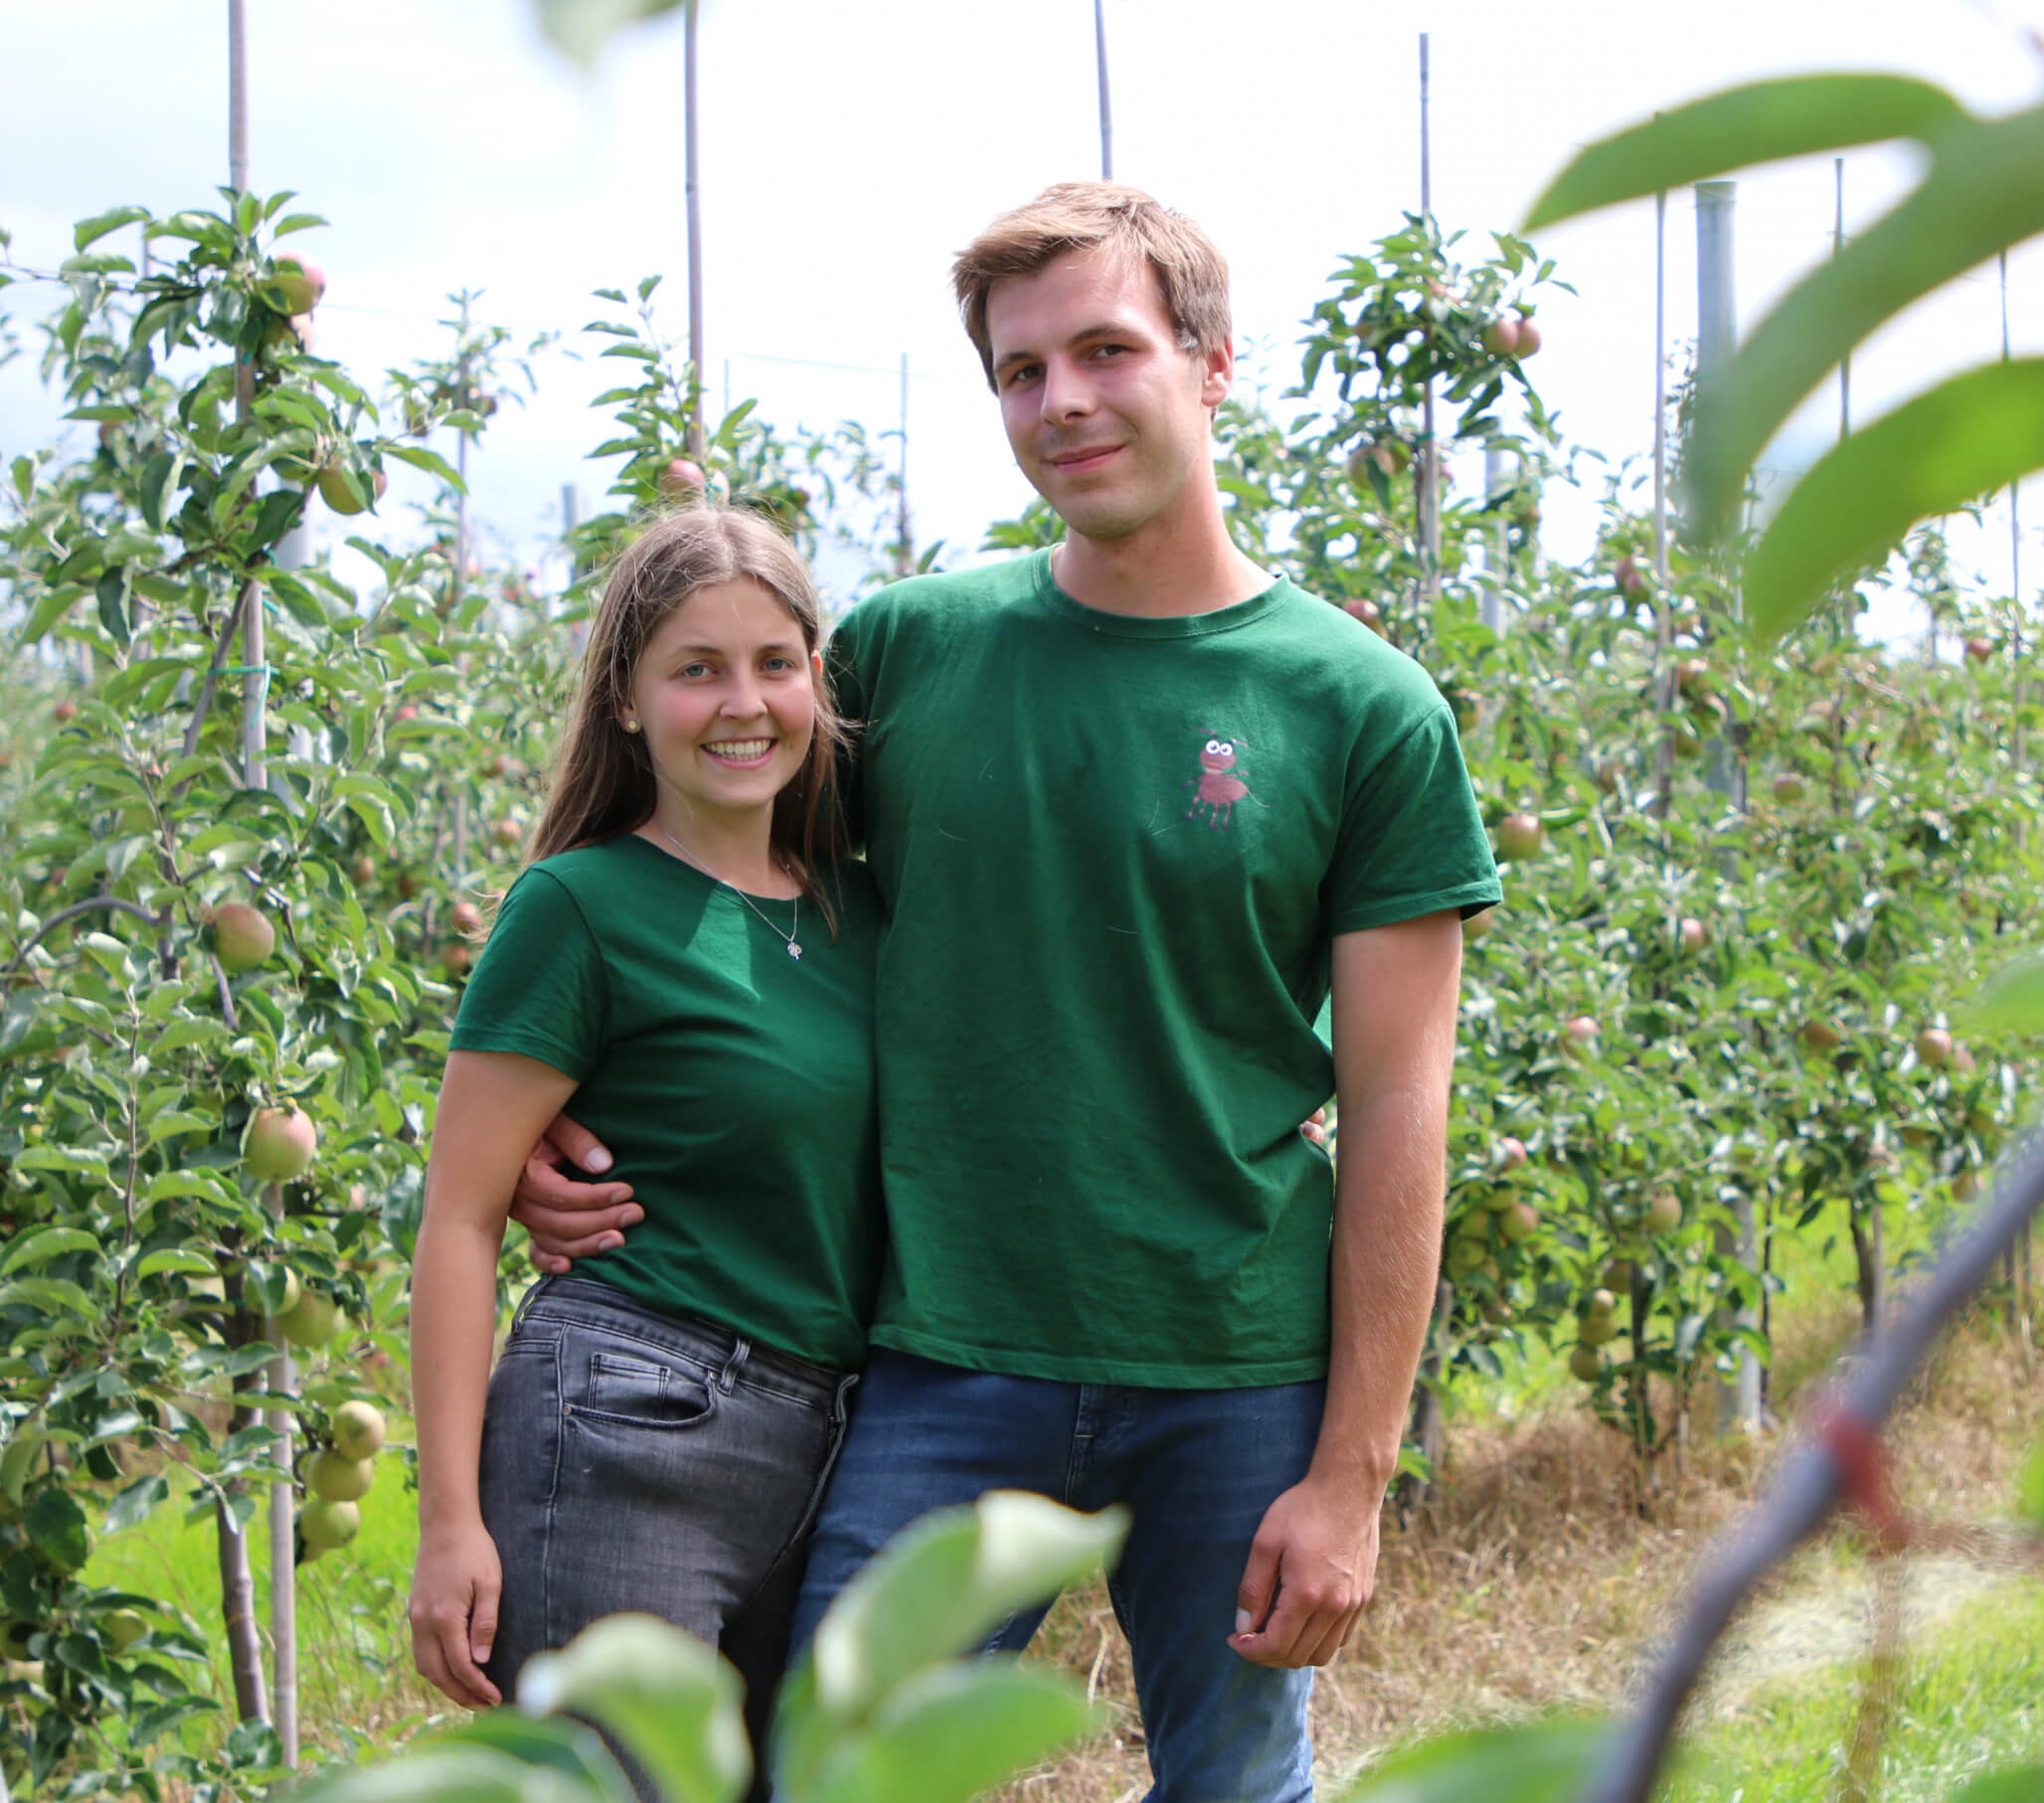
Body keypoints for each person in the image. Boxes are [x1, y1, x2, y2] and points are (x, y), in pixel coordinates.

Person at [515, 182, 1499, 1803]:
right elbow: (719, 890)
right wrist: (574, 1094)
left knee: (1237, 1785)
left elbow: (1401, 1102)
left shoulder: (1360, 707)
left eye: (1106, 350)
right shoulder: (907, 654)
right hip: (939, 1355)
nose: (1063, 401)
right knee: (834, 1775)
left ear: (1213, 362)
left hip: (1240, 1363)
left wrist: (1353, 1472)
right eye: (1021, 371)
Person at [406, 506, 885, 1769]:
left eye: (774, 663)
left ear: (816, 681)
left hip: (840, 1444)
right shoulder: (580, 906)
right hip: (629, 1424)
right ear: (625, 700)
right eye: (695, 667)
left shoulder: (859, 911)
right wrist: (446, 1518)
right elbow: (457, 1215)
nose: (743, 702)